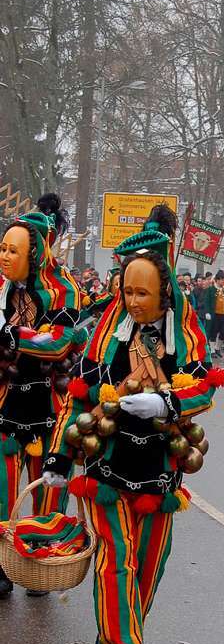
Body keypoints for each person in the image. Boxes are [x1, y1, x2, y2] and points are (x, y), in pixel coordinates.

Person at [44, 206, 224, 644]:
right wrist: (61, 456)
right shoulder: (107, 331)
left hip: (163, 471)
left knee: (148, 565)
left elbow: (206, 389)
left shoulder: (185, 332)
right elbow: (80, 393)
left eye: (142, 292)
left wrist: (166, 400)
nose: (132, 301)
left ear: (164, 290)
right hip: (107, 465)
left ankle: (117, 642)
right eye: (126, 291)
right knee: (116, 557)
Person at [0, 195, 84, 599]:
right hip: (5, 397)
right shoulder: (1, 289)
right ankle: (1, 560)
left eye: (12, 250)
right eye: (2, 247)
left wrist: (14, 337)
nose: (3, 256)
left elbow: (61, 344)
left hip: (52, 402)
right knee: (1, 484)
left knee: (48, 484)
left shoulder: (62, 290)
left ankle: (39, 555)